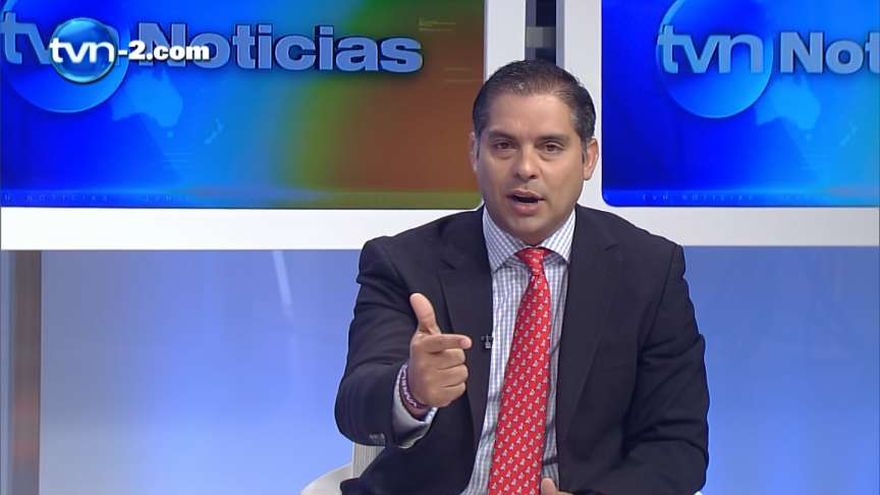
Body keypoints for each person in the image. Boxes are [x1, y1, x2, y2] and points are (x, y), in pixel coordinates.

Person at [335, 59, 709, 495]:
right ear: (474, 152)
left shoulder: (649, 270)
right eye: (504, 146)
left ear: (588, 158)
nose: (525, 168)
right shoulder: (404, 262)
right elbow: (355, 407)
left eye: (550, 147)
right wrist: (411, 390)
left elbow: (677, 446)